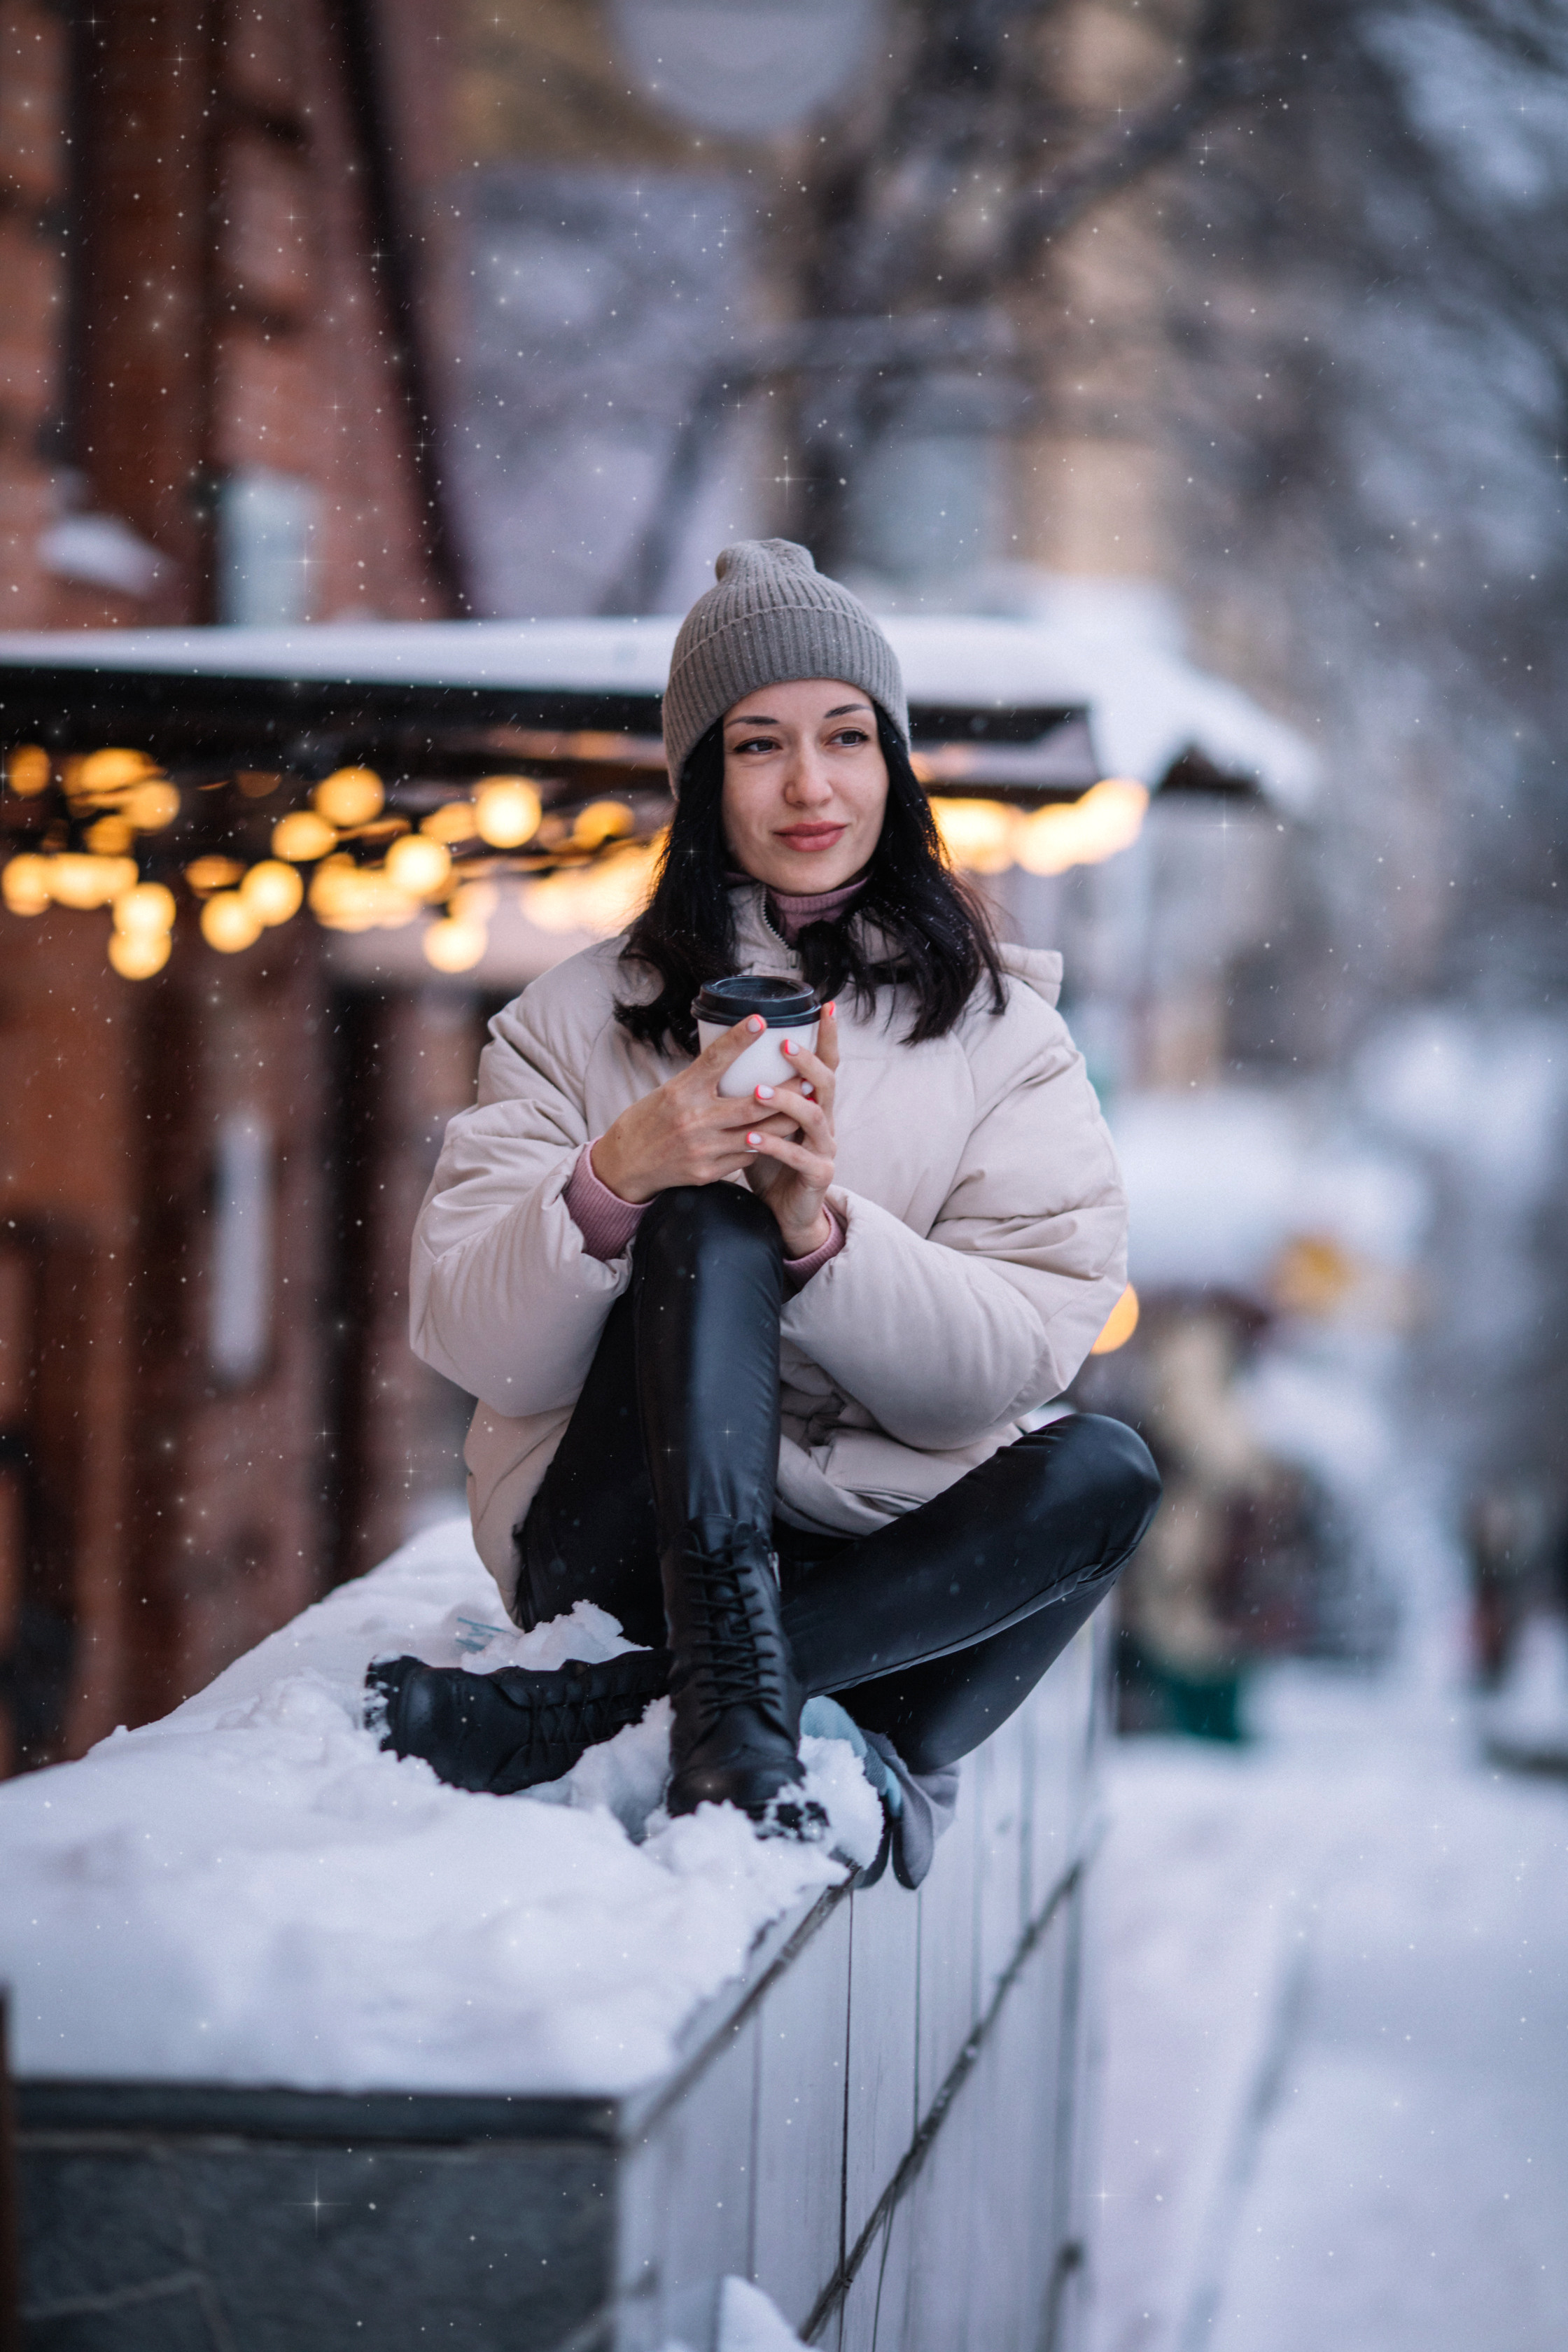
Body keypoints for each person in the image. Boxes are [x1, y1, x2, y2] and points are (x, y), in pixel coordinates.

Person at [370, 540, 1160, 1884]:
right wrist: (618, 1176)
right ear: (702, 780)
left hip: (892, 1594)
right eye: (759, 745)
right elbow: (475, 1344)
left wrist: (822, 1239)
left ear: (892, 766)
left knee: (1108, 1471)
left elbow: (1002, 1369)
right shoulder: (573, 1020)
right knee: (703, 1220)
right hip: (621, 1563)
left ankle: (626, 1714)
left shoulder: (1006, 1037)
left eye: (847, 737)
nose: (810, 785)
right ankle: (724, 1699)